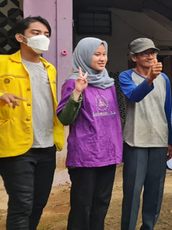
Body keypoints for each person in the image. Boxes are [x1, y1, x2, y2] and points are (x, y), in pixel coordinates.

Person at [0, 16, 64, 230]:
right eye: (36, 33)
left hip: (46, 146)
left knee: (38, 203)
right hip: (16, 146)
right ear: (20, 37)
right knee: (22, 204)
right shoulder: (3, 63)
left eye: (46, 34)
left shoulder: (50, 68)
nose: (43, 38)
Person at [57, 37, 123, 230]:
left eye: (104, 54)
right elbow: (65, 118)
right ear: (85, 55)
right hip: (85, 155)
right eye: (97, 54)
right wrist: (77, 92)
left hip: (108, 153)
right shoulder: (73, 82)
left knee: (102, 203)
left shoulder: (108, 82)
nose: (102, 58)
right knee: (82, 206)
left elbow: (113, 118)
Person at [118, 38, 172, 230]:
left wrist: (170, 141)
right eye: (144, 53)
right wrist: (150, 78)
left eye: (153, 52)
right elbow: (134, 95)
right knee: (132, 192)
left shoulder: (164, 79)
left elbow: (168, 110)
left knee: (155, 191)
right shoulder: (125, 77)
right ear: (134, 57)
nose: (150, 56)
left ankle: (148, 227)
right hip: (136, 142)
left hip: (158, 140)